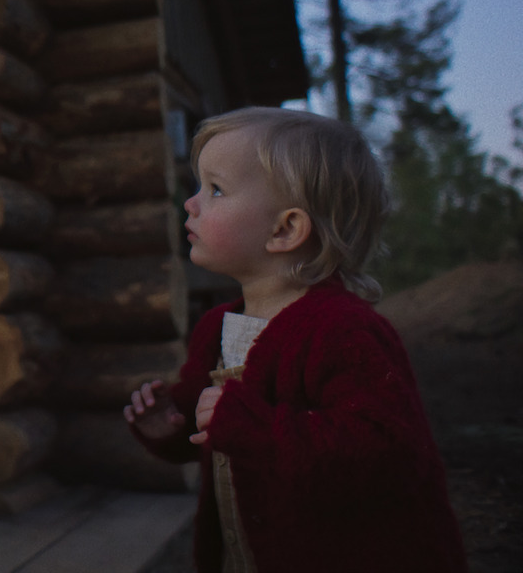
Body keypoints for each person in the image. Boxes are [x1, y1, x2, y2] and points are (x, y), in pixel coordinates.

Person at [124, 106, 466, 573]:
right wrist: (172, 422)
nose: (191, 202)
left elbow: (388, 452)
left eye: (216, 189)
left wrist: (251, 428)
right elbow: (212, 425)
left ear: (285, 230)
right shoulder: (216, 327)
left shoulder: (343, 329)